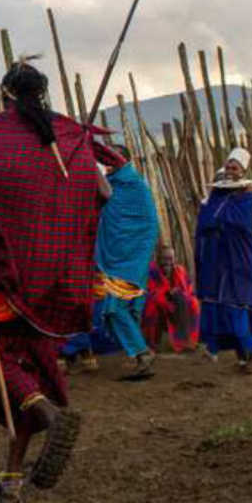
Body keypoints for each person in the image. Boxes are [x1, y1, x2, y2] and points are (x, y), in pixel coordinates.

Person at [0, 62, 110, 503]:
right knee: (32, 367)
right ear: (43, 92)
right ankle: (10, 480)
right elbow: (103, 193)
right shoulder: (70, 135)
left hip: (10, 273)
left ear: (5, 92)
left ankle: (49, 415)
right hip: (58, 276)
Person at [94, 145, 160, 380]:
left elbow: (146, 223)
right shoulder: (112, 183)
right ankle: (141, 353)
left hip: (132, 257)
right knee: (119, 308)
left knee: (115, 308)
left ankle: (143, 354)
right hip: (119, 257)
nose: (107, 162)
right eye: (105, 158)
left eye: (111, 158)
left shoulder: (131, 183)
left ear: (123, 161)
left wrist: (90, 161)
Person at [195, 146, 252, 371]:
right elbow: (205, 222)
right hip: (216, 260)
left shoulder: (247, 198)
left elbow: (241, 224)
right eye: (228, 167)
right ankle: (237, 356)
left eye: (235, 168)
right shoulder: (216, 197)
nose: (231, 171)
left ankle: (251, 351)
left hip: (239, 259)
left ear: (243, 171)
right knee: (219, 305)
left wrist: (218, 220)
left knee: (238, 303)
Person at [142, 243, 200, 353]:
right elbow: (149, 292)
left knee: (193, 303)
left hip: (178, 304)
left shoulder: (180, 271)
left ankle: (186, 341)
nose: (167, 262)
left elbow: (189, 289)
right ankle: (152, 342)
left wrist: (178, 295)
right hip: (161, 304)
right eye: (164, 259)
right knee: (153, 305)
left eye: (170, 259)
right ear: (158, 259)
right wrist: (167, 294)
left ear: (174, 259)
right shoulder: (152, 272)